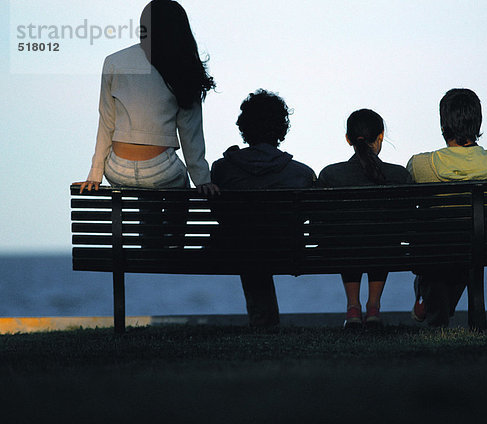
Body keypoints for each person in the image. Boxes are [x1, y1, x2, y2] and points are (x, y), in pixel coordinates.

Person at [74, 0, 218, 195]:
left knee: (147, 202)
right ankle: (173, 227)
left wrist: (95, 174)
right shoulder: (184, 67)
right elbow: (190, 134)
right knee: (178, 182)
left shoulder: (113, 61)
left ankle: (146, 226)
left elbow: (106, 122)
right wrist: (202, 179)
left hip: (117, 169)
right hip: (161, 171)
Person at [407, 88, 487, 327]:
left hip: (435, 250)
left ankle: (430, 303)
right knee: (463, 248)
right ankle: (435, 306)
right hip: (481, 246)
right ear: (478, 122)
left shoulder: (421, 165)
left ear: (443, 123)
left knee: (437, 247)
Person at [211, 89, 316, 327]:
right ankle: (265, 323)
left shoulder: (222, 169)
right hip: (287, 251)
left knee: (248, 242)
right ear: (281, 127)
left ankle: (262, 321)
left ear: (244, 126)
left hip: (234, 251)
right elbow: (306, 215)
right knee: (260, 242)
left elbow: (218, 213)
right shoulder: (300, 173)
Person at [317, 109, 412, 329]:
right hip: (387, 249)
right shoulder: (398, 175)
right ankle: (373, 307)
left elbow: (321, 228)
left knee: (348, 240)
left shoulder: (331, 175)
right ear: (380, 137)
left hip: (341, 250)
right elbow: (405, 227)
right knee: (382, 240)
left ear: (348, 139)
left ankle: (353, 307)